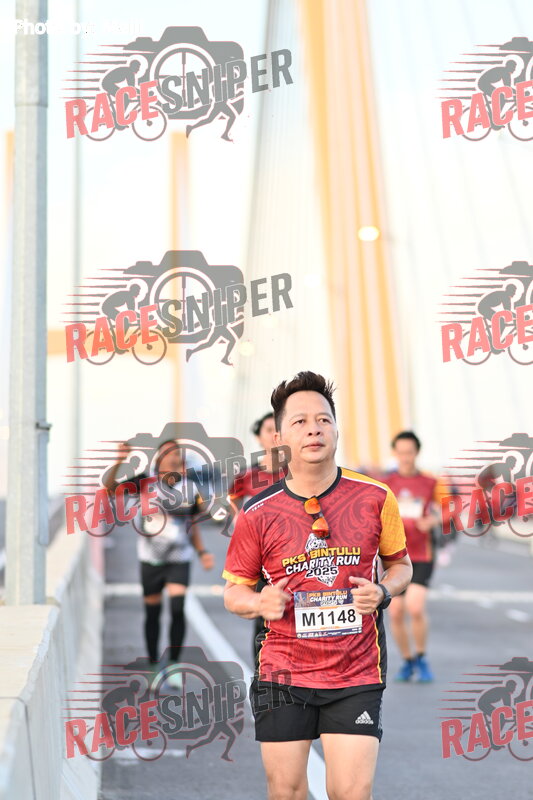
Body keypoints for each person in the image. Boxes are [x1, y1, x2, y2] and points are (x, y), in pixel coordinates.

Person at [223, 371, 412, 800]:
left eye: (324, 420)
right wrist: (259, 602)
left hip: (356, 670)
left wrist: (384, 591)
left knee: (351, 793)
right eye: (301, 421)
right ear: (279, 438)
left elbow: (401, 566)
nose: (314, 429)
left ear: (337, 430)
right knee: (286, 791)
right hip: (283, 672)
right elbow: (234, 592)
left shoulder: (375, 497)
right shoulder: (257, 512)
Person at [103, 439, 215, 688]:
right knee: (153, 613)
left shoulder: (190, 487)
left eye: (177, 454)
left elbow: (195, 523)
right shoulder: (146, 482)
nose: (174, 457)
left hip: (179, 558)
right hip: (151, 559)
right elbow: (111, 490)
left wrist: (202, 552)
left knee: (177, 609)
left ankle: (173, 665)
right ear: (160, 459)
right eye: (169, 453)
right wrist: (120, 460)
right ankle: (154, 666)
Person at [381, 431, 447, 682]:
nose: (405, 457)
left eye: (409, 452)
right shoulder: (386, 483)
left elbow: (450, 509)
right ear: (394, 453)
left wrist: (433, 520)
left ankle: (421, 657)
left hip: (421, 554)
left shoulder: (430, 482)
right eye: (401, 452)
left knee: (415, 607)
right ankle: (408, 661)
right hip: (394, 555)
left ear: (416, 453)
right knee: (396, 612)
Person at [228, 412, 288, 660]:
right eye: (268, 430)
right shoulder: (246, 476)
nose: (274, 436)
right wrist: (239, 523)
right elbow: (233, 503)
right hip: (261, 557)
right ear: (259, 437)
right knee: (264, 615)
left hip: (294, 554)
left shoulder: (297, 473)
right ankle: (262, 670)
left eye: (278, 430)